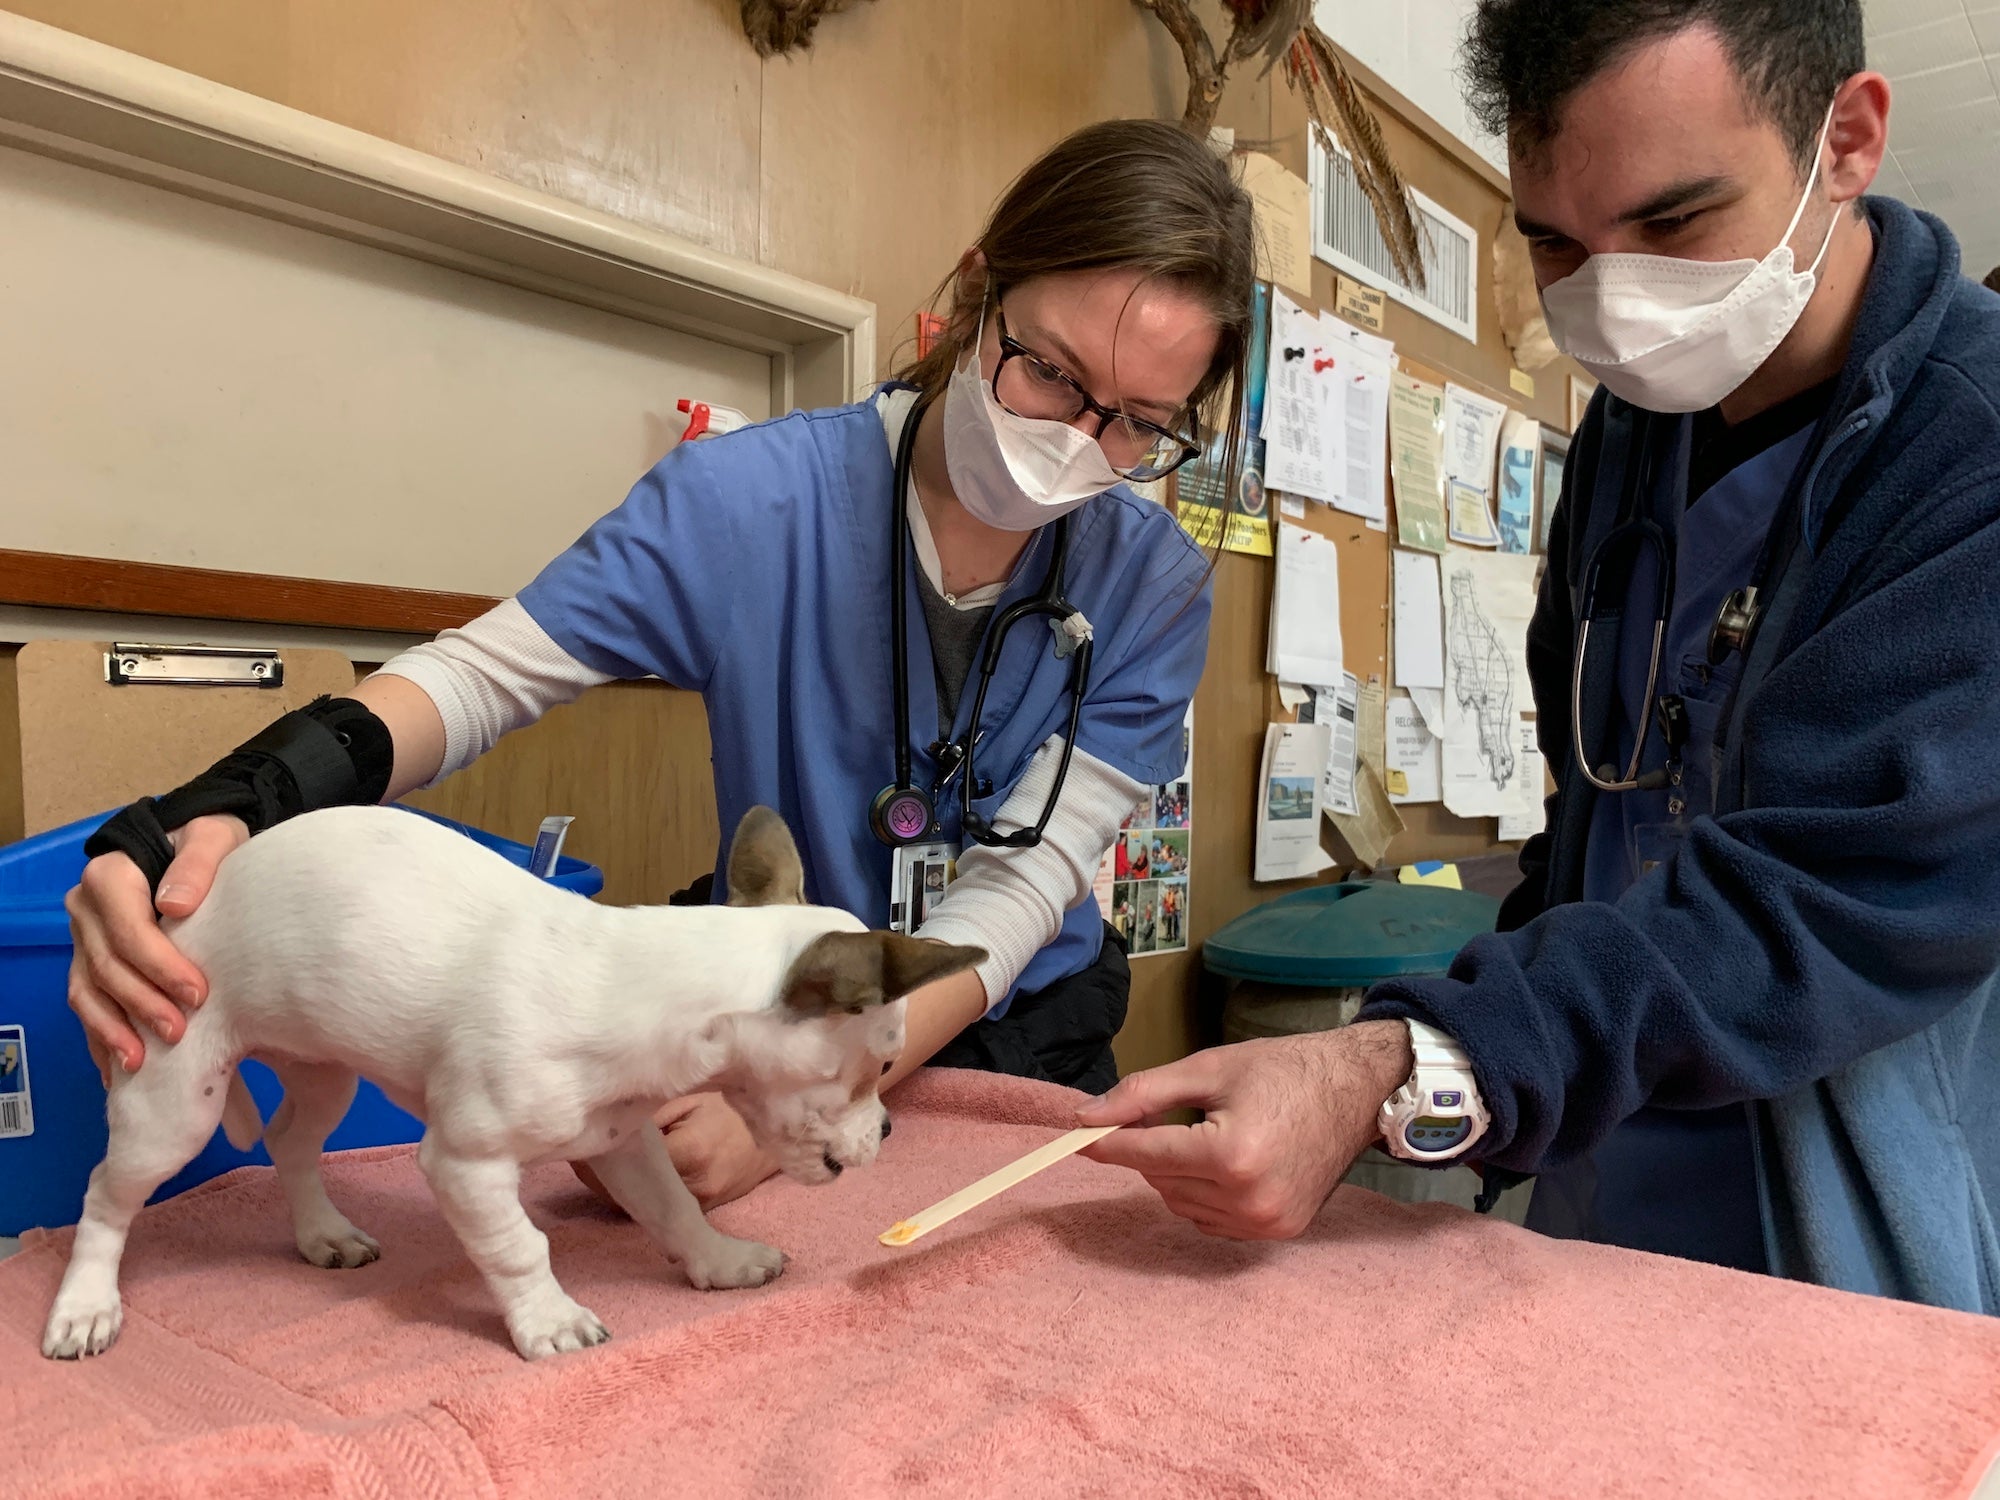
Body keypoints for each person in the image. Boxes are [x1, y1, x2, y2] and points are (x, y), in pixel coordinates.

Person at [62, 119, 1255, 1210]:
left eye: (1140, 423)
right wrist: (244, 796)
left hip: (1013, 1022)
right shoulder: (749, 503)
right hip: (762, 998)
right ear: (975, 287)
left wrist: (836, 1079)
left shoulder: (1154, 583)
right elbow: (480, 679)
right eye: (1047, 371)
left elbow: (1024, 887)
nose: (1074, 445)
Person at [1083, 0, 2000, 1315]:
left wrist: (1412, 1058)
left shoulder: (1967, 452)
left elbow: (1841, 891)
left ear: (1847, 141)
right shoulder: (1638, 428)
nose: (1615, 295)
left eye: (1676, 224)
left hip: (1833, 1211)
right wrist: (1483, 1068)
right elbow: (1599, 816)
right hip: (1600, 1166)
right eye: (1556, 239)